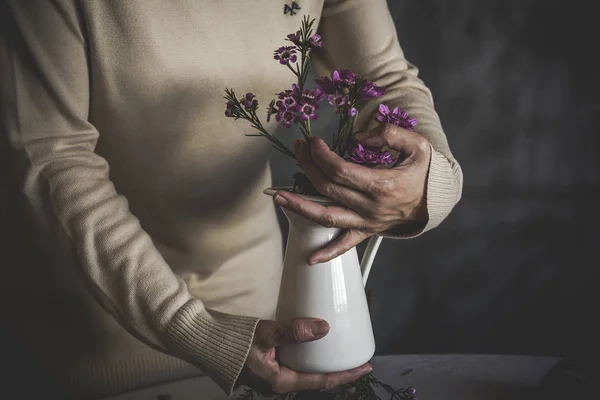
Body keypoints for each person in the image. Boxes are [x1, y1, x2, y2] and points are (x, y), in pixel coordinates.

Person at [0, 0, 463, 398]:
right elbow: (51, 153)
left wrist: (428, 182)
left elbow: (383, 77)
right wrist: (195, 330)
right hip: (94, 336)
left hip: (263, 316)